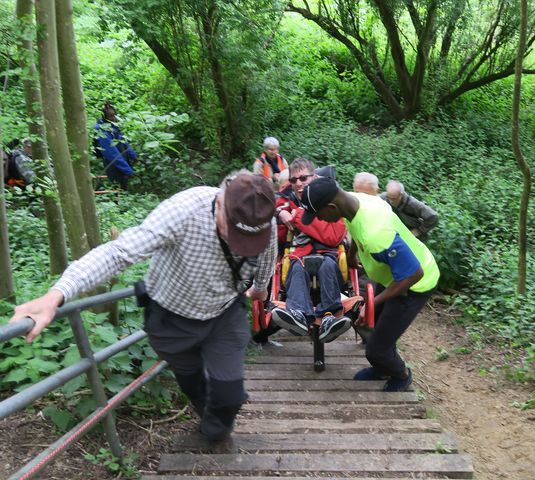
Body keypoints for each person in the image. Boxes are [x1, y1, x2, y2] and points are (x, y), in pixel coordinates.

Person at [10, 172, 278, 442]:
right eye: (233, 232)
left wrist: (261, 286)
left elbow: (267, 255)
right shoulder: (183, 212)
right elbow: (118, 253)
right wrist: (56, 295)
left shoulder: (264, 221)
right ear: (219, 203)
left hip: (224, 313)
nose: (239, 245)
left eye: (248, 239)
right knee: (193, 383)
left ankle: (215, 432)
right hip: (172, 317)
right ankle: (207, 417)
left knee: (229, 393)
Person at [298, 177, 440, 391]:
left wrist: (372, 300)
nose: (319, 219)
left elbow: (414, 274)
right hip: (393, 276)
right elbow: (355, 228)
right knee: (372, 325)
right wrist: (354, 254)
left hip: (415, 285)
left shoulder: (377, 234)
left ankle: (401, 375)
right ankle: (381, 367)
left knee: (376, 349)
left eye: (318, 214)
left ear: (331, 207)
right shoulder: (354, 202)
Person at [269, 158, 351, 343]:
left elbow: (334, 236)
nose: (298, 183)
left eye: (303, 178)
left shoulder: (330, 198)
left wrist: (298, 216)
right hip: (299, 256)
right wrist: (279, 213)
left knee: (328, 266)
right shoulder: (286, 199)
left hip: (329, 255)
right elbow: (268, 202)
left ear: (314, 177)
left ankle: (329, 316)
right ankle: (298, 314)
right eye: (293, 180)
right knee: (296, 267)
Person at [94, 102, 138, 190]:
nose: (113, 118)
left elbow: (123, 141)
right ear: (104, 117)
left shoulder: (114, 126)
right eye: (111, 116)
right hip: (113, 165)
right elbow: (111, 153)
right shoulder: (102, 131)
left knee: (124, 186)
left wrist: (133, 155)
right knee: (117, 189)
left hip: (123, 160)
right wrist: (127, 170)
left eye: (114, 116)